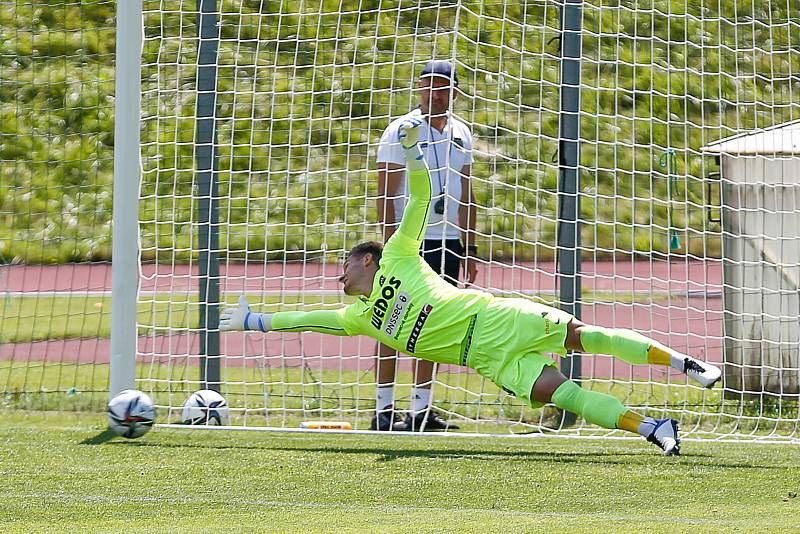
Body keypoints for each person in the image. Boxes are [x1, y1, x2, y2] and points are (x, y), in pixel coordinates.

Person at [221, 118, 722, 455]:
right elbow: (305, 320)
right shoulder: (356, 317)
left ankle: (687, 364)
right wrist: (253, 321)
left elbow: (422, 196)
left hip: (497, 317)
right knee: (564, 395)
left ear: (368, 259)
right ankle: (654, 429)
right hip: (488, 359)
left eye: (345, 265)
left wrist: (415, 152)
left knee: (586, 337)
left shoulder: (398, 252)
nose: (339, 275)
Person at [373, 59, 477, 432]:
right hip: (408, 243)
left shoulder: (462, 132)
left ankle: (420, 410)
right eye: (429, 84)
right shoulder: (401, 130)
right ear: (418, 88)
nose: (436, 91)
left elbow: (468, 193)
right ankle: (383, 410)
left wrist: (470, 246)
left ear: (454, 91)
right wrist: (389, 246)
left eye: (444, 85)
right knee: (390, 321)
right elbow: (386, 193)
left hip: (447, 241)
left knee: (431, 324)